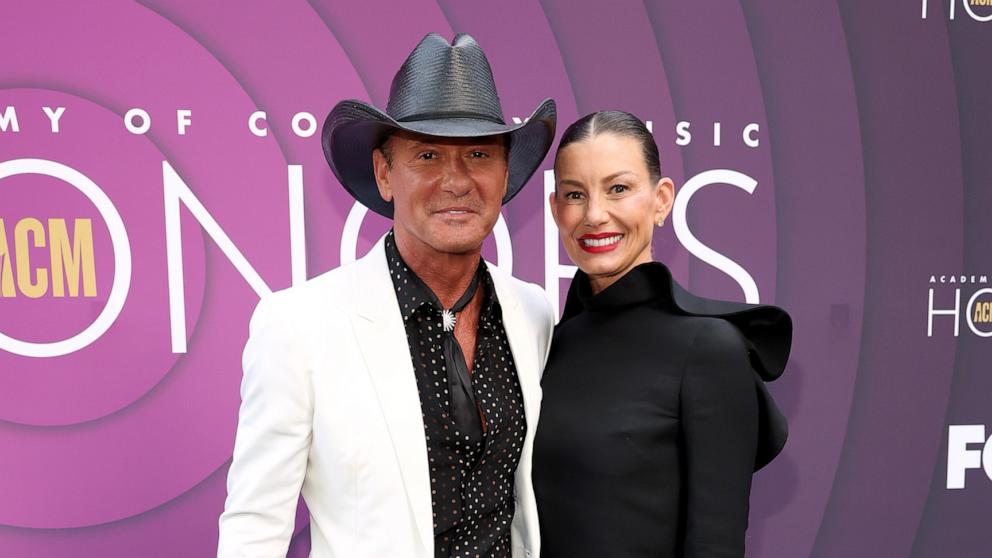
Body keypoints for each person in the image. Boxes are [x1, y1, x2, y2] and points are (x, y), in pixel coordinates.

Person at [218, 33, 557, 558]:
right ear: (384, 174)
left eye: (478, 154)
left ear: (505, 172)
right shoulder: (298, 326)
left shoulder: (533, 314)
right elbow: (255, 528)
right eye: (426, 155)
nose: (457, 180)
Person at [532, 110, 791, 558]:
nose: (595, 215)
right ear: (556, 210)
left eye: (619, 189)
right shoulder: (545, 345)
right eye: (575, 194)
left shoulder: (709, 349)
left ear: (662, 199)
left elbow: (715, 545)